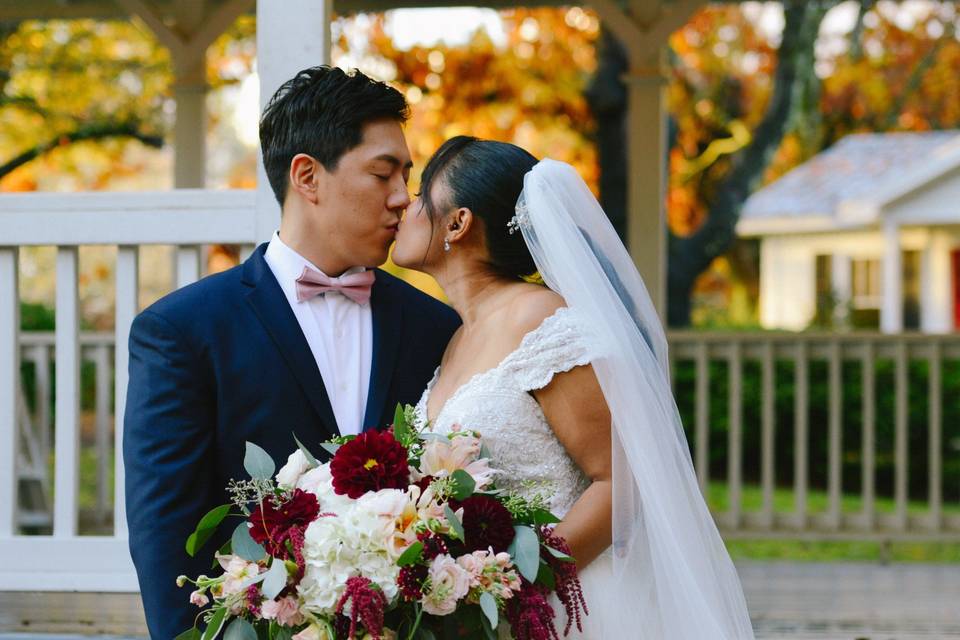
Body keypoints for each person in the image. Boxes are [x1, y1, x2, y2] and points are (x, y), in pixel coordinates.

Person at [123, 66, 460, 639]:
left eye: (406, 175)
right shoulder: (182, 331)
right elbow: (165, 535)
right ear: (307, 176)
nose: (403, 198)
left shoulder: (435, 325)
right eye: (383, 173)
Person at [392, 136, 755, 639]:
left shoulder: (543, 321)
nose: (403, 207)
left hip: (561, 609)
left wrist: (511, 587)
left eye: (418, 196)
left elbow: (620, 484)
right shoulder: (457, 338)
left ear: (458, 222)